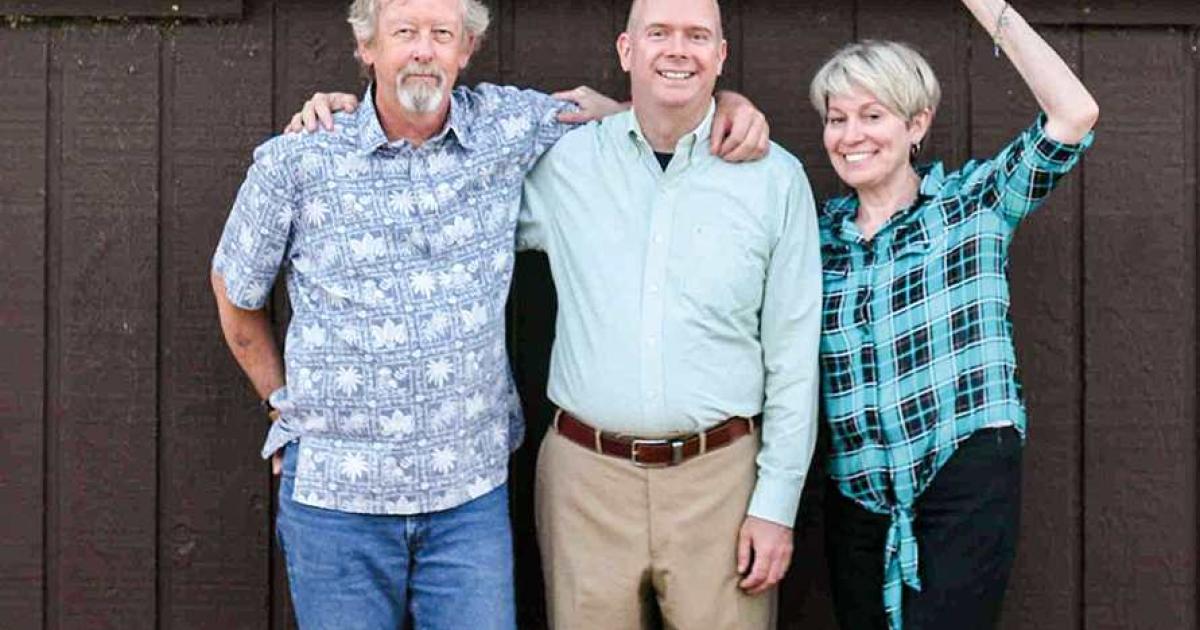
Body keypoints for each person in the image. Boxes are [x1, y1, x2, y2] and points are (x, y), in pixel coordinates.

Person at [211, 0, 767, 628]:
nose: (423, 50)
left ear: (466, 49)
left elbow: (635, 117)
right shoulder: (301, 158)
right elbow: (235, 290)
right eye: (404, 33)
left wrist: (725, 109)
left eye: (441, 34)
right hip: (337, 500)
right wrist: (277, 401)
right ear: (367, 48)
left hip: (467, 504)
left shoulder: (509, 126)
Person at [809, 1, 1099, 629]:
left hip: (961, 476)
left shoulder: (973, 206)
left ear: (917, 124)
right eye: (837, 119)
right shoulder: (812, 238)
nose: (851, 134)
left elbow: (1073, 115)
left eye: (872, 115)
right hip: (859, 499)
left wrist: (989, 6)